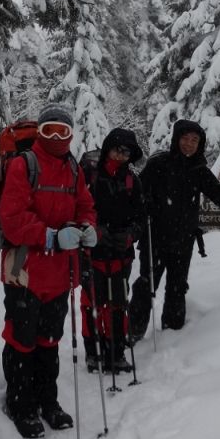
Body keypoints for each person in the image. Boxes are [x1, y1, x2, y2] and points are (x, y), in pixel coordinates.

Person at [0, 104, 97, 439]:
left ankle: (48, 401)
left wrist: (88, 227)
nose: (56, 137)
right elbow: (11, 219)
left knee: (50, 340)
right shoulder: (24, 165)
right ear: (40, 132)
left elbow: (85, 204)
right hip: (24, 269)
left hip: (57, 272)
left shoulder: (72, 168)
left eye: (63, 131)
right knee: (22, 340)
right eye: (50, 130)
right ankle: (21, 405)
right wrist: (51, 235)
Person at [128, 119, 220, 340]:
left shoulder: (198, 170)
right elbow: (137, 194)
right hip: (155, 238)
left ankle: (173, 331)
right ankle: (133, 330)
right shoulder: (158, 163)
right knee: (146, 285)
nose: (189, 144)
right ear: (176, 139)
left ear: (200, 144)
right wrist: (146, 204)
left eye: (194, 140)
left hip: (183, 240)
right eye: (185, 139)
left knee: (177, 287)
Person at [79, 128, 146, 373]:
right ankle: (94, 352)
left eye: (126, 152)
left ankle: (116, 351)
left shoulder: (132, 181)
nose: (121, 155)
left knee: (118, 304)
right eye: (117, 149)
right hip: (92, 254)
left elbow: (141, 217)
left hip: (121, 254)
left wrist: (130, 236)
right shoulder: (89, 175)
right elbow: (77, 210)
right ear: (108, 147)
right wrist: (93, 232)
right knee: (92, 303)